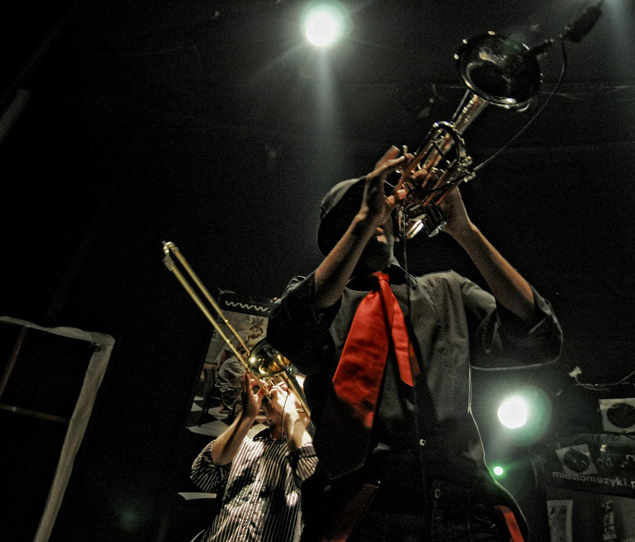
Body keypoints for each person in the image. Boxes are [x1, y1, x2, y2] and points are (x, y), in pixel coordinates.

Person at [266, 146, 563, 541]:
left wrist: (465, 231)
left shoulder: (447, 289)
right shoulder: (320, 300)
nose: (381, 211)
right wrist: (362, 220)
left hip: (466, 508)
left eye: (385, 205)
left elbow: (540, 336)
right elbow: (289, 336)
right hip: (363, 511)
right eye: (364, 206)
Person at [191, 372, 319, 541]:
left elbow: (310, 474)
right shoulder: (243, 444)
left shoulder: (310, 455)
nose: (279, 387)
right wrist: (246, 416)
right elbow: (202, 476)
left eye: (291, 388)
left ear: (306, 408)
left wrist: (289, 413)